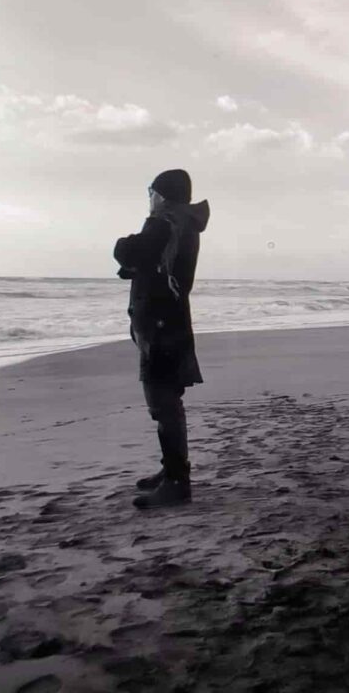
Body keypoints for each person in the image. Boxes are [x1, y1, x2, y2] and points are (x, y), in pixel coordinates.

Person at [114, 169, 210, 509]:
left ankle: (176, 482)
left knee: (163, 402)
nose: (149, 198)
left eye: (150, 191)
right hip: (170, 319)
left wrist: (123, 245)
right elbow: (150, 261)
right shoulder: (182, 222)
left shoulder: (165, 221)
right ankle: (172, 471)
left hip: (161, 325)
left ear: (162, 194)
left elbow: (130, 252)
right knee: (168, 400)